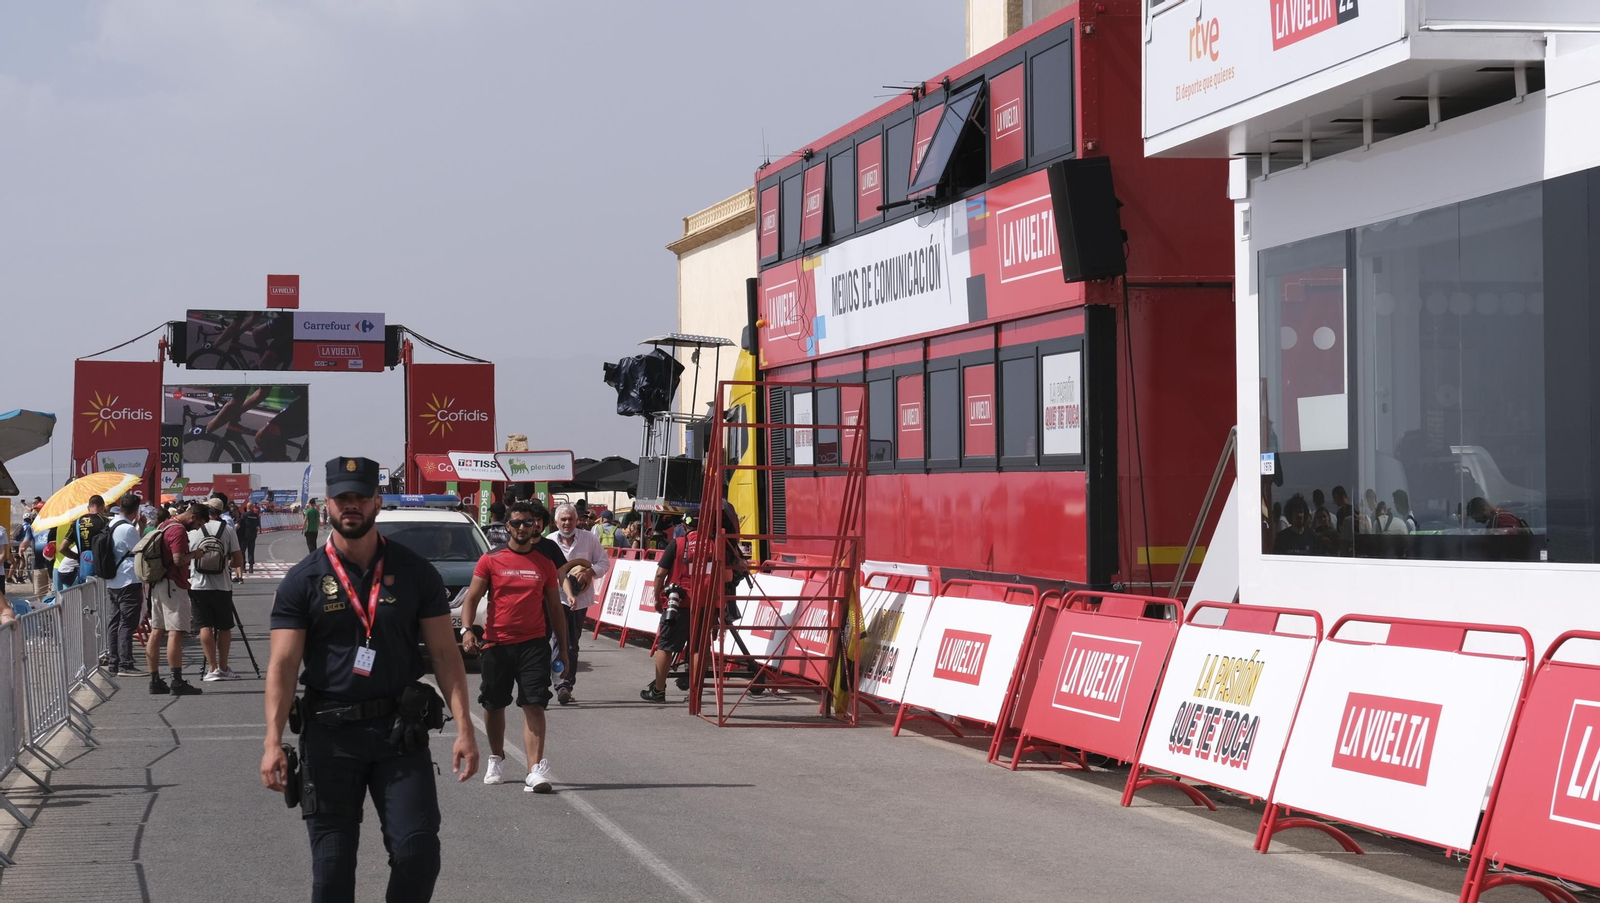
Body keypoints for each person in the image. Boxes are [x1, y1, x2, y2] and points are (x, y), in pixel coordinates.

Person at [260, 456, 478, 903]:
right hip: (329, 738)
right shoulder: (303, 581)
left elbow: (443, 653)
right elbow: (282, 666)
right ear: (328, 504)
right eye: (343, 498)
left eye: (361, 497)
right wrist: (271, 740)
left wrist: (466, 727)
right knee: (333, 872)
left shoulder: (416, 571)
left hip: (398, 734)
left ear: (377, 501)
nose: (352, 506)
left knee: (418, 852)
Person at [459, 501, 569, 792]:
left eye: (528, 522)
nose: (523, 527)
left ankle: (535, 770)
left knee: (534, 702)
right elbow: (471, 598)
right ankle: (496, 757)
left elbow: (556, 609)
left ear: (536, 526)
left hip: (534, 644)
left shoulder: (544, 564)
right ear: (507, 526)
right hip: (496, 643)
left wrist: (565, 650)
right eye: (517, 523)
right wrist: (467, 629)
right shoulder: (491, 560)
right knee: (494, 704)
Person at [643, 504, 748, 702]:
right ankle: (695, 693)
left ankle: (658, 690)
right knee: (700, 647)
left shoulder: (677, 543)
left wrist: (657, 599)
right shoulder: (717, 545)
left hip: (679, 603)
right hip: (707, 604)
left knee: (666, 646)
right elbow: (727, 576)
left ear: (685, 524)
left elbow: (660, 574)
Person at [548, 503, 608, 706]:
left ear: (577, 520)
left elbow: (604, 563)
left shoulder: (589, 538)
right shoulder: (549, 542)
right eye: (563, 519)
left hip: (580, 601)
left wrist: (590, 572)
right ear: (556, 522)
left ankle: (567, 683)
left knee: (572, 643)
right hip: (556, 599)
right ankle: (561, 684)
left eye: (570, 519)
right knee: (559, 640)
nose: (567, 523)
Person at [148, 502, 205, 696]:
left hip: (158, 582)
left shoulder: (164, 525)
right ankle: (177, 680)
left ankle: (154, 679)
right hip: (173, 584)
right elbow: (179, 559)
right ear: (192, 517)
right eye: (198, 524)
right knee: (175, 632)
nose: (197, 528)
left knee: (156, 631)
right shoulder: (179, 531)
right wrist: (195, 554)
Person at [192, 497, 246, 681]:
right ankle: (223, 667)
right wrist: (224, 563)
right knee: (224, 627)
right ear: (221, 512)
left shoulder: (194, 530)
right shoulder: (228, 530)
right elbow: (238, 561)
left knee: (204, 626)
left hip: (198, 585)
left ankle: (212, 668)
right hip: (222, 586)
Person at [106, 494, 146, 676]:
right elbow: (141, 549)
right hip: (128, 580)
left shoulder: (111, 524)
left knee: (115, 622)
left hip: (113, 580)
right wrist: (141, 528)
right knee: (127, 624)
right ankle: (126, 664)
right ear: (136, 510)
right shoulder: (128, 529)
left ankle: (114, 662)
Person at [238, 502, 261, 573]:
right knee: (251, 551)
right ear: (251, 508)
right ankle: (251, 567)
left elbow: (240, 524)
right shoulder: (255, 516)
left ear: (246, 507)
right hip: (252, 536)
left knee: (242, 551)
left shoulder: (243, 515)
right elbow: (257, 526)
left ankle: (243, 567)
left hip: (244, 536)